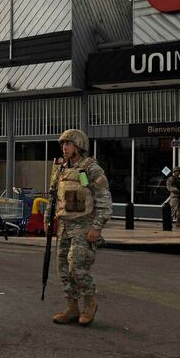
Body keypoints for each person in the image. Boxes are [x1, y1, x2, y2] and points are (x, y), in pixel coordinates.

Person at [44, 129, 112, 326]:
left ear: (79, 146)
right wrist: (48, 219)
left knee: (77, 268)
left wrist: (97, 227)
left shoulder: (91, 169)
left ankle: (89, 304)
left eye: (68, 144)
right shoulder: (62, 169)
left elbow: (104, 200)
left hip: (83, 226)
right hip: (64, 226)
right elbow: (53, 195)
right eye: (63, 144)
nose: (64, 147)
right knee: (63, 269)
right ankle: (72, 307)